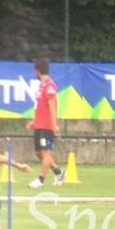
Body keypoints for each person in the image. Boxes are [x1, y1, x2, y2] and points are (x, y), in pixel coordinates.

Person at [26, 58, 65, 188]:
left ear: (37, 71)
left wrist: (54, 125)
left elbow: (52, 107)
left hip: (47, 125)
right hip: (39, 125)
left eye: (35, 71)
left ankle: (40, 180)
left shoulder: (49, 86)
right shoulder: (41, 86)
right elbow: (39, 107)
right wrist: (34, 121)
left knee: (46, 152)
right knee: (39, 153)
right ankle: (59, 172)